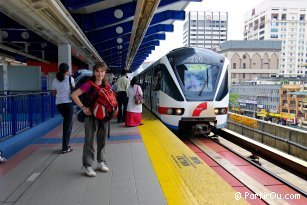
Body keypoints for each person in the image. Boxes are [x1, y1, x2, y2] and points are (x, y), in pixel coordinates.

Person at [71, 62, 111, 177]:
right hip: (90, 116)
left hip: (104, 117)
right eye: (98, 71)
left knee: (102, 140)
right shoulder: (89, 84)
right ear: (94, 72)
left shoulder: (106, 85)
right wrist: (83, 108)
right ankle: (88, 165)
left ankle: (101, 162)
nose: (100, 74)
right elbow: (74, 95)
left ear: (105, 72)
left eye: (102, 71)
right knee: (90, 141)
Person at [52, 63, 75, 154]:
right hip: (68, 104)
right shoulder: (70, 79)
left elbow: (54, 93)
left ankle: (66, 145)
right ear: (67, 70)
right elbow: (74, 90)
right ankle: (65, 147)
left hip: (59, 104)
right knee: (67, 126)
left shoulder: (55, 80)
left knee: (67, 124)